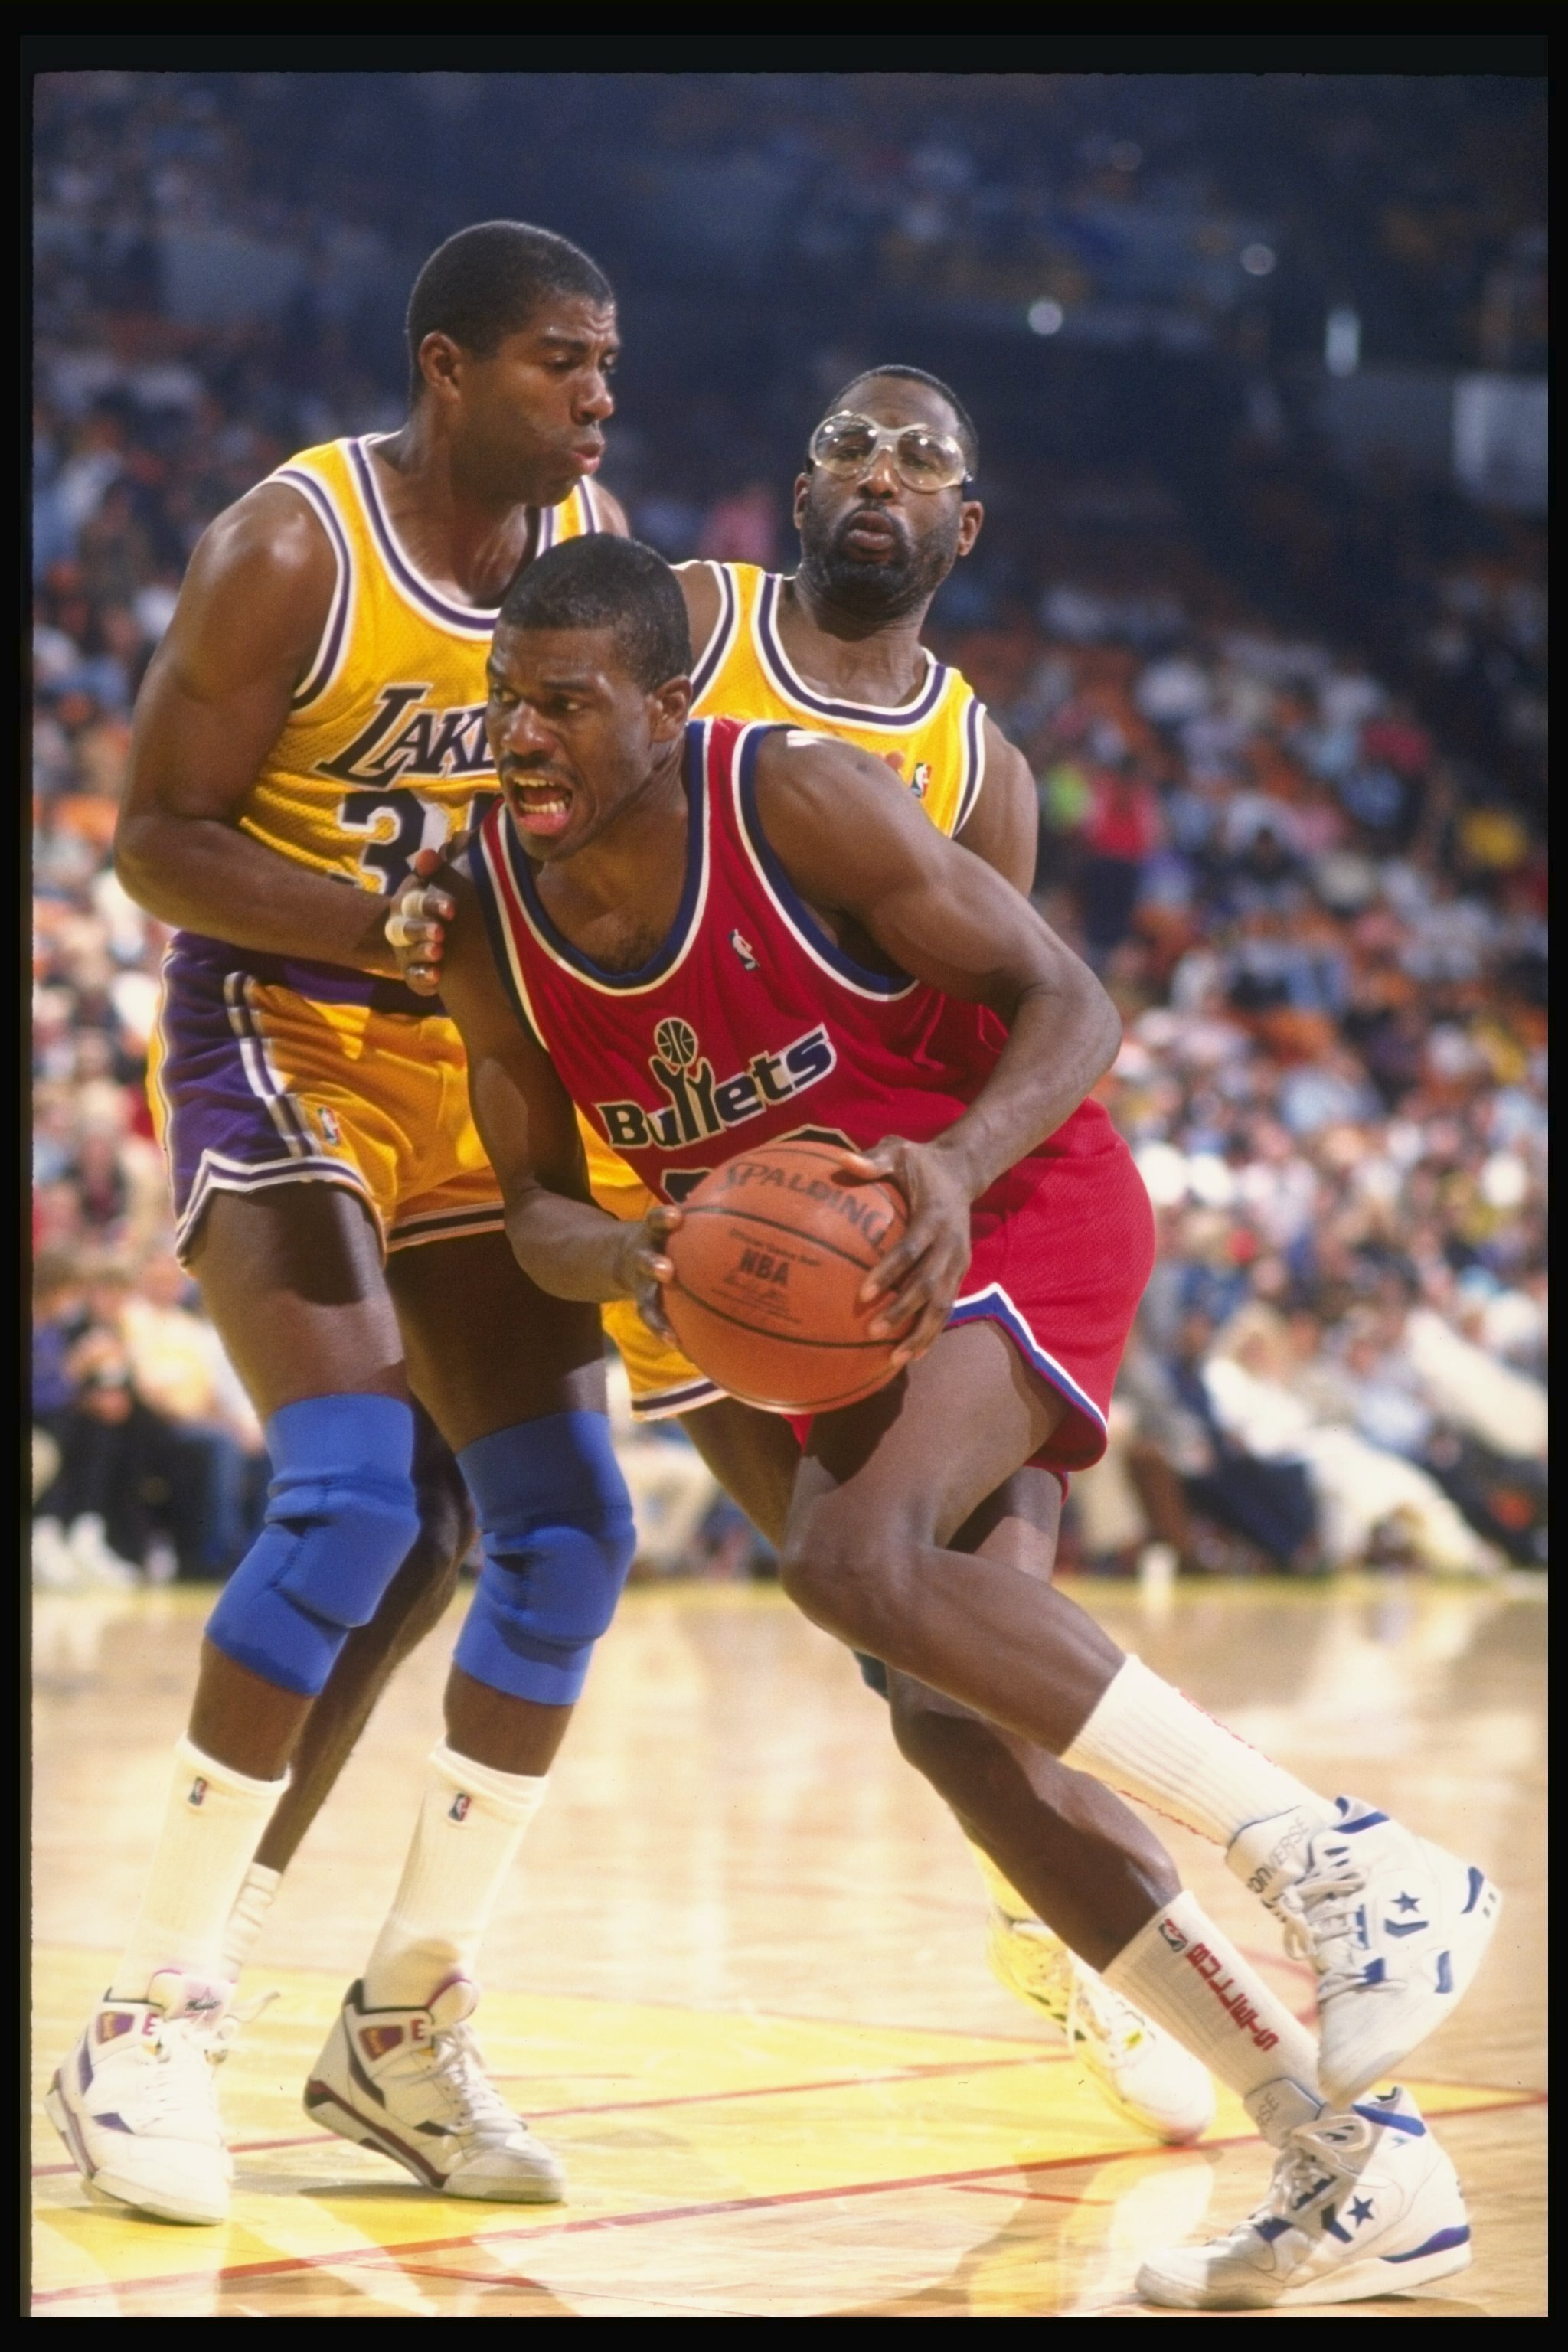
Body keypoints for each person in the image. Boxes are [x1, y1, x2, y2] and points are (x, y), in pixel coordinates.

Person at [408, 530, 1499, 2311]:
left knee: (855, 1558)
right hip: (808, 1305)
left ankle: (1348, 1864)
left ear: (663, 703)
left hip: (1009, 1200)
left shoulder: (796, 800)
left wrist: (955, 1160)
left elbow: (1076, 1000)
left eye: (564, 706)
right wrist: (620, 1247)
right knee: (951, 1728)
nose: (522, 740)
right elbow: (530, 1198)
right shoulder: (487, 921)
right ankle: (1343, 2157)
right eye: (502, 708)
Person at [397, 366, 1216, 2142]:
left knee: (966, 1630)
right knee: (882, 1623)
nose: (881, 472)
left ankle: (1097, 1941)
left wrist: (957, 1202)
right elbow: (514, 665)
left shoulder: (975, 761)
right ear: (798, 481)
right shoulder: (683, 624)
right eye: (851, 441)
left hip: (897, 1224)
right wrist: (415, 871)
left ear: (961, 525)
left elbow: (1013, 1019)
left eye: (923, 456)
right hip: (687, 1228)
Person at [48, 221, 641, 2229]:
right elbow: (152, 840)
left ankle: (396, 2030)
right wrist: (391, 924)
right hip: (277, 1028)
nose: (593, 397)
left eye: (608, 366)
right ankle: (147, 2016)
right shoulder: (297, 545)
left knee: (568, 1532)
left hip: (473, 1069)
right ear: (445, 368)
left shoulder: (591, 560)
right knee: (357, 1497)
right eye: (560, 362)